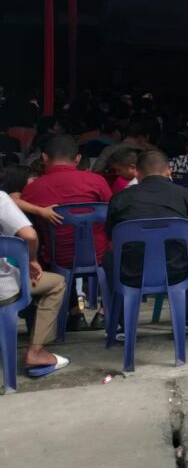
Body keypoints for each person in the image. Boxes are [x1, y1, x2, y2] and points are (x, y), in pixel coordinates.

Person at [103, 149, 188, 317]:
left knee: (109, 257)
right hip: (177, 271)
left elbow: (112, 240)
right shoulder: (187, 196)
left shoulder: (119, 198)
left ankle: (121, 320)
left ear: (137, 172)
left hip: (131, 272)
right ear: (169, 170)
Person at [21, 134, 112, 332]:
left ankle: (73, 312)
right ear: (77, 159)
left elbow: (13, 206)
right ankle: (105, 313)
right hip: (100, 255)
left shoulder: (36, 187)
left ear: (44, 158)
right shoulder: (97, 181)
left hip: (59, 258)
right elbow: (112, 212)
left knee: (40, 252)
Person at [0, 190, 69, 378]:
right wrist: (30, 260)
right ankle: (36, 352)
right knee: (56, 284)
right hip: (4, 288)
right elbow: (29, 235)